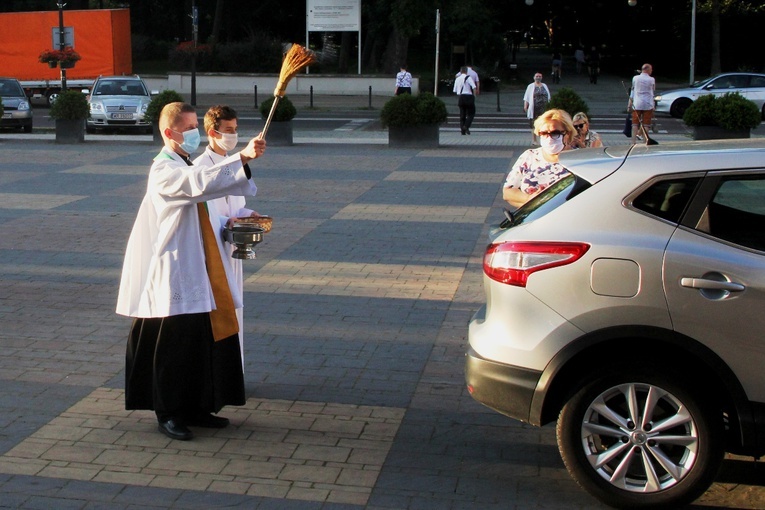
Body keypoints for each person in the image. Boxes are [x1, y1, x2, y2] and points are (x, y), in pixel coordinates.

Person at [116, 101, 267, 441]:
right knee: (174, 346)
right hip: (175, 270)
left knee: (202, 340)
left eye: (195, 126)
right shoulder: (164, 169)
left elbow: (212, 193)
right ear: (169, 133)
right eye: (188, 129)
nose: (194, 134)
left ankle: (199, 406)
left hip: (201, 267)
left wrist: (235, 220)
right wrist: (240, 158)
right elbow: (195, 182)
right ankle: (168, 412)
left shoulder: (183, 162)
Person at [193, 105, 262, 368]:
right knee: (219, 313)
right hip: (213, 255)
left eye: (235, 129)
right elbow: (204, 215)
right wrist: (228, 221)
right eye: (229, 130)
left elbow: (234, 206)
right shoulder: (201, 168)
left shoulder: (232, 164)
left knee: (237, 311)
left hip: (232, 252)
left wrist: (248, 215)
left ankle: (237, 371)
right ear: (213, 132)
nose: (234, 135)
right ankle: (220, 371)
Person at [502, 108, 576, 209]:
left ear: (567, 134)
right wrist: (529, 199)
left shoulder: (580, 158)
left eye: (554, 133)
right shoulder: (529, 156)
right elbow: (507, 192)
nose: (549, 138)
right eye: (544, 133)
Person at [628, 63, 656, 145]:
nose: (651, 71)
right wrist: (653, 105)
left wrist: (629, 104)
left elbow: (632, 91)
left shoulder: (635, 78)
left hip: (637, 103)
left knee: (635, 123)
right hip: (648, 104)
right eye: (651, 69)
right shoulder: (652, 79)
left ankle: (633, 142)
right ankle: (645, 141)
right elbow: (652, 91)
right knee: (646, 124)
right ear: (647, 70)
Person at [523, 72, 551, 145]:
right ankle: (534, 140)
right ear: (534, 77)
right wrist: (525, 106)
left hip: (544, 109)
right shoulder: (530, 86)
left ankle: (543, 140)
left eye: (540, 76)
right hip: (534, 108)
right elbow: (527, 97)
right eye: (537, 76)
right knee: (534, 125)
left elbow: (548, 96)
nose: (538, 77)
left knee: (544, 125)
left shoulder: (544, 85)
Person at [453, 66, 477, 135]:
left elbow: (454, 90)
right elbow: (474, 87)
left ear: (460, 71)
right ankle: (466, 126)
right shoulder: (468, 78)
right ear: (466, 71)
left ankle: (462, 130)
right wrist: (474, 96)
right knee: (471, 113)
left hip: (461, 97)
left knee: (462, 114)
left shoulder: (457, 79)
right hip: (468, 96)